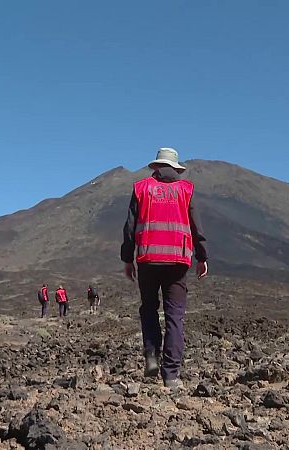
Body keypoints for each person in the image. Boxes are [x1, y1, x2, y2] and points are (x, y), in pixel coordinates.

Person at [121, 147, 208, 391]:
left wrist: (128, 259)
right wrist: (202, 256)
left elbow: (129, 228)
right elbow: (196, 226)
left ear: (156, 167)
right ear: (176, 168)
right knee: (175, 316)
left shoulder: (141, 188)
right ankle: (171, 375)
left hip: (148, 258)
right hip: (178, 262)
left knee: (148, 309)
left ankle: (151, 357)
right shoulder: (186, 189)